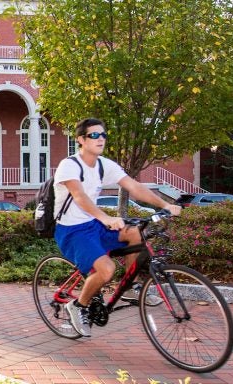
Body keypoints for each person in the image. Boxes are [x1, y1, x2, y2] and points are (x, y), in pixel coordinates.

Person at [54, 118, 182, 337]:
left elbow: (134, 187)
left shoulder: (105, 165)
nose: (100, 139)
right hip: (72, 230)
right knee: (107, 269)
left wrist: (165, 204)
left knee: (135, 233)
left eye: (103, 135)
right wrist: (105, 218)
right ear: (81, 140)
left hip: (93, 225)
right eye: (94, 135)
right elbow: (79, 196)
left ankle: (129, 288)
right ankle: (77, 306)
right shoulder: (70, 165)